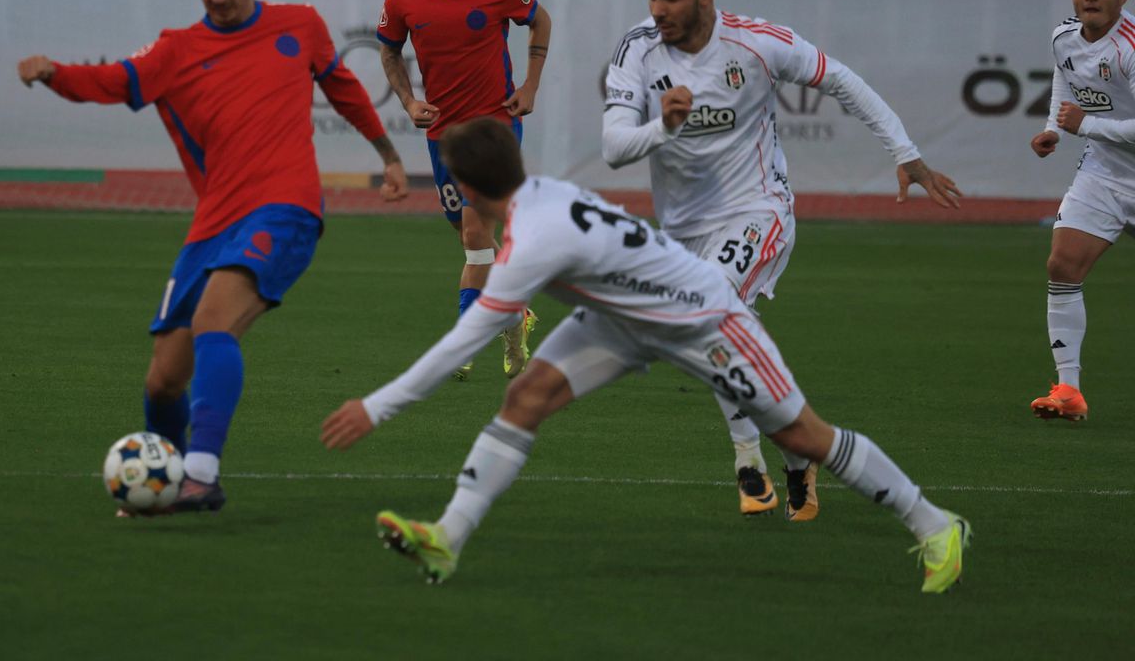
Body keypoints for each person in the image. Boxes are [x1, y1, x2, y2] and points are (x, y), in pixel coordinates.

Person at [321, 117, 972, 594]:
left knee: (803, 433)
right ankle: (446, 541)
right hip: (620, 319)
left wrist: (374, 409)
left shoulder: (531, 244)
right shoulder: (539, 194)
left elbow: (463, 341)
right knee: (527, 397)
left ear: (466, 188)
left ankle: (936, 523)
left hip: (706, 320)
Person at [17, 0, 409, 513]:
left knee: (213, 322)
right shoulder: (175, 49)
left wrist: (387, 154)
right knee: (163, 380)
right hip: (214, 222)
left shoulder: (299, 25)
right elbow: (111, 81)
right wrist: (53, 74)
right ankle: (168, 484)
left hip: (286, 207)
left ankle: (201, 473)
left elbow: (345, 87)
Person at [602, 0, 962, 520]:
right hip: (682, 228)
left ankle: (748, 461)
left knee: (709, 309)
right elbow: (615, 147)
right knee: (718, 336)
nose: (658, 10)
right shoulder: (637, 50)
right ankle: (800, 452)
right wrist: (662, 130)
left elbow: (842, 80)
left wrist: (905, 151)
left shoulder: (757, 43)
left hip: (758, 210)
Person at [377, 0, 552, 380]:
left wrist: (530, 85)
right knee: (473, 238)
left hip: (494, 129)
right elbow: (389, 52)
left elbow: (541, 21)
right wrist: (411, 102)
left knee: (477, 240)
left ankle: (463, 342)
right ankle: (515, 318)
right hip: (442, 134)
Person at [1029, 0, 1135, 422]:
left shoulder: (1130, 47)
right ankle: (1068, 389)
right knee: (1062, 264)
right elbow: (1063, 75)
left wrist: (1085, 125)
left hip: (1107, 151)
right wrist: (1054, 125)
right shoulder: (1063, 36)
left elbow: (1089, 121)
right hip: (1106, 175)